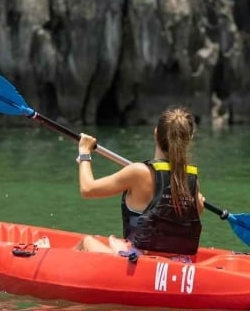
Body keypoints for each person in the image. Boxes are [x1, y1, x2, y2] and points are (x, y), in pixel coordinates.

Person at [74, 106, 206, 257]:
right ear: (189, 139)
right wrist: (199, 204)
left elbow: (87, 189)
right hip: (178, 262)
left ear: (156, 133)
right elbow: (193, 213)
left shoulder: (138, 172)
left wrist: (84, 152)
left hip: (139, 261)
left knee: (86, 242)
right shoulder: (191, 180)